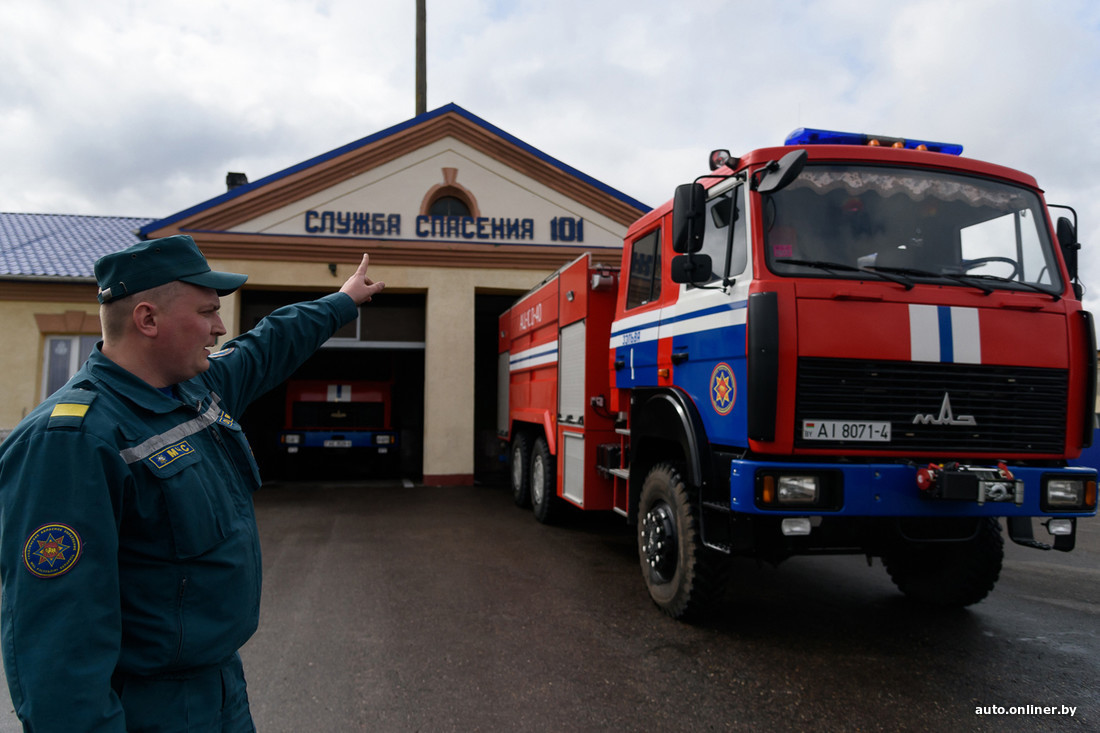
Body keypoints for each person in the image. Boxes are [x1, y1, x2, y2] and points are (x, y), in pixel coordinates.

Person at [0, 234, 384, 731]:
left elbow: (268, 342)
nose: (220, 328)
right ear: (148, 320)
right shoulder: (73, 441)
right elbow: (58, 646)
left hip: (219, 689)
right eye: (206, 312)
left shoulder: (197, 387)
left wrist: (342, 300)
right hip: (150, 709)